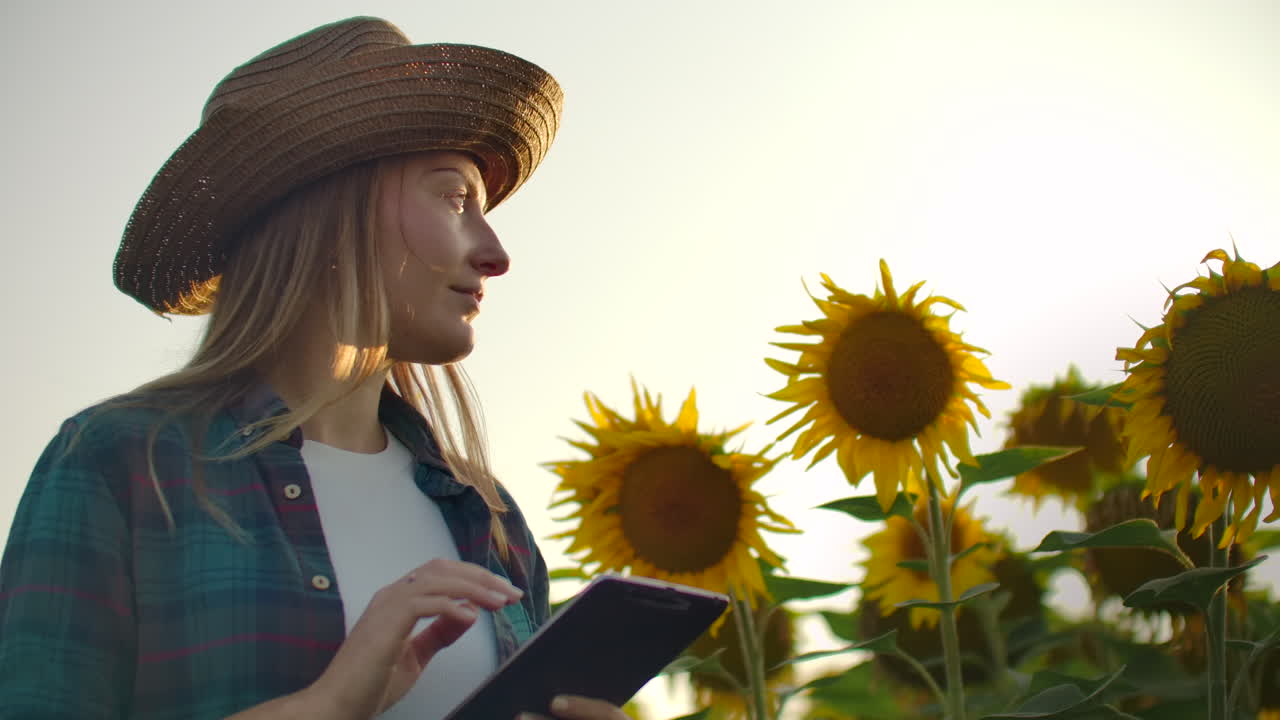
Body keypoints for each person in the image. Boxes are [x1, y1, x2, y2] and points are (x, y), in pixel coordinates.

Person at [0, 16, 625, 720]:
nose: (495, 253)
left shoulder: (489, 514)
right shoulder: (123, 463)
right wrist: (326, 706)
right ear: (333, 208)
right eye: (455, 198)